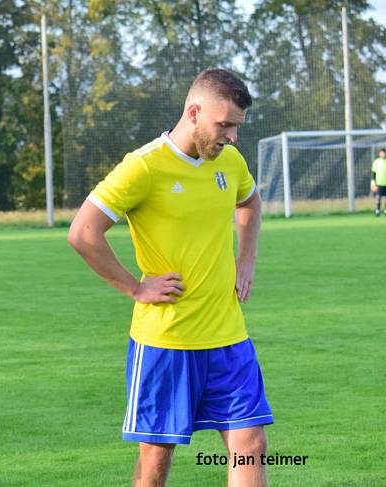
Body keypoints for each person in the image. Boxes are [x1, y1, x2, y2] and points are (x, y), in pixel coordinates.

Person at [68, 68, 273, 487]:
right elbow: (83, 233)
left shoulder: (230, 162)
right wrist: (135, 287)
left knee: (250, 444)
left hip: (228, 335)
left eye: (237, 127)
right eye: (225, 125)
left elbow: (249, 201)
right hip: (167, 341)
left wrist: (246, 257)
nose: (232, 137)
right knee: (155, 465)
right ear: (194, 112)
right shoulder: (143, 167)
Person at [371, 148, 386, 216]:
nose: (383, 154)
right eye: (382, 153)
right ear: (379, 154)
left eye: (384, 153)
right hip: (379, 183)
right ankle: (377, 210)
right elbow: (373, 173)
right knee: (378, 197)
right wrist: (373, 182)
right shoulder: (376, 162)